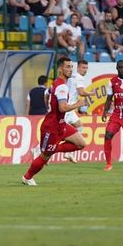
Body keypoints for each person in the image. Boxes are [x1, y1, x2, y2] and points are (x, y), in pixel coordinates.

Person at [21, 56, 88, 186]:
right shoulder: (62, 87)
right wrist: (78, 104)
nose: (70, 69)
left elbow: (47, 94)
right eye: (67, 67)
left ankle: (53, 150)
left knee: (81, 143)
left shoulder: (56, 83)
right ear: (60, 69)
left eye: (71, 67)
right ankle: (27, 177)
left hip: (61, 124)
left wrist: (49, 107)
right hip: (51, 127)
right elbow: (62, 108)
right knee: (45, 156)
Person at [61, 59, 90, 163]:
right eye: (83, 67)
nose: (85, 70)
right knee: (56, 134)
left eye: (86, 68)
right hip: (67, 109)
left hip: (70, 108)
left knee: (79, 125)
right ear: (78, 68)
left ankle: (70, 152)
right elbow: (81, 92)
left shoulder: (71, 76)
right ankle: (38, 149)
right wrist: (92, 93)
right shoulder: (79, 78)